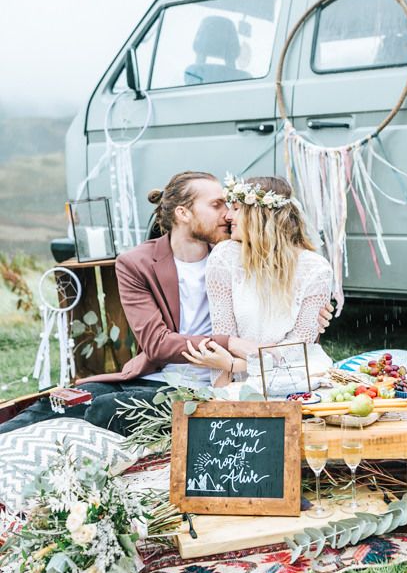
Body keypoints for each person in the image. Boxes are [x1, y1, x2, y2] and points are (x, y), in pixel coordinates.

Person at [0, 171, 333, 434]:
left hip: (212, 378)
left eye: (231, 205)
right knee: (63, 400)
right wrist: (231, 343)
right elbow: (158, 343)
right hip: (162, 372)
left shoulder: (230, 254)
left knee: (103, 408)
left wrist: (316, 314)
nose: (229, 214)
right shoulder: (138, 263)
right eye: (217, 205)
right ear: (184, 213)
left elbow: (279, 283)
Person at [180, 176, 333, 387]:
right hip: (241, 378)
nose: (227, 215)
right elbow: (223, 335)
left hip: (297, 375)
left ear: (259, 215)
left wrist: (237, 364)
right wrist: (220, 398)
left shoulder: (316, 269)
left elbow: (297, 348)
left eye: (235, 208)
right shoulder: (224, 257)